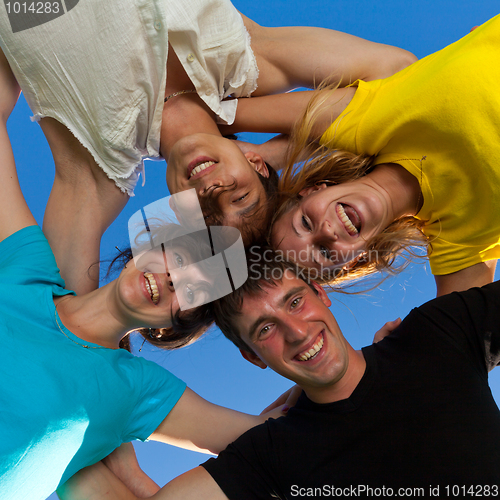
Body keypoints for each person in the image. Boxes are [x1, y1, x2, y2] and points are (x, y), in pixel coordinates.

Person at [0, 57, 285, 500]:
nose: (174, 278)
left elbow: (277, 443)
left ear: (170, 326)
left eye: (192, 293)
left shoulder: (133, 390)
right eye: (181, 256)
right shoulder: (29, 269)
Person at [0, 0, 416, 294]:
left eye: (204, 214)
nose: (212, 192)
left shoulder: (95, 170)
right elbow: (400, 79)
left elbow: (61, 312)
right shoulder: (242, 60)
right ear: (256, 163)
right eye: (240, 196)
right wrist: (253, 136)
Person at [58, 248, 500, 499]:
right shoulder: (273, 450)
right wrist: (69, 446)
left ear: (321, 293)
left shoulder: (434, 336)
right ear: (253, 357)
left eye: (294, 302)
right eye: (264, 329)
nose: (296, 331)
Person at [226, 14, 500, 297]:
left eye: (305, 223)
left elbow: (218, 114)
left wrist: (263, 156)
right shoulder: (459, 245)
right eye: (324, 252)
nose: (326, 233)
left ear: (312, 191)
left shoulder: (365, 120)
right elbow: (466, 334)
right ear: (356, 260)